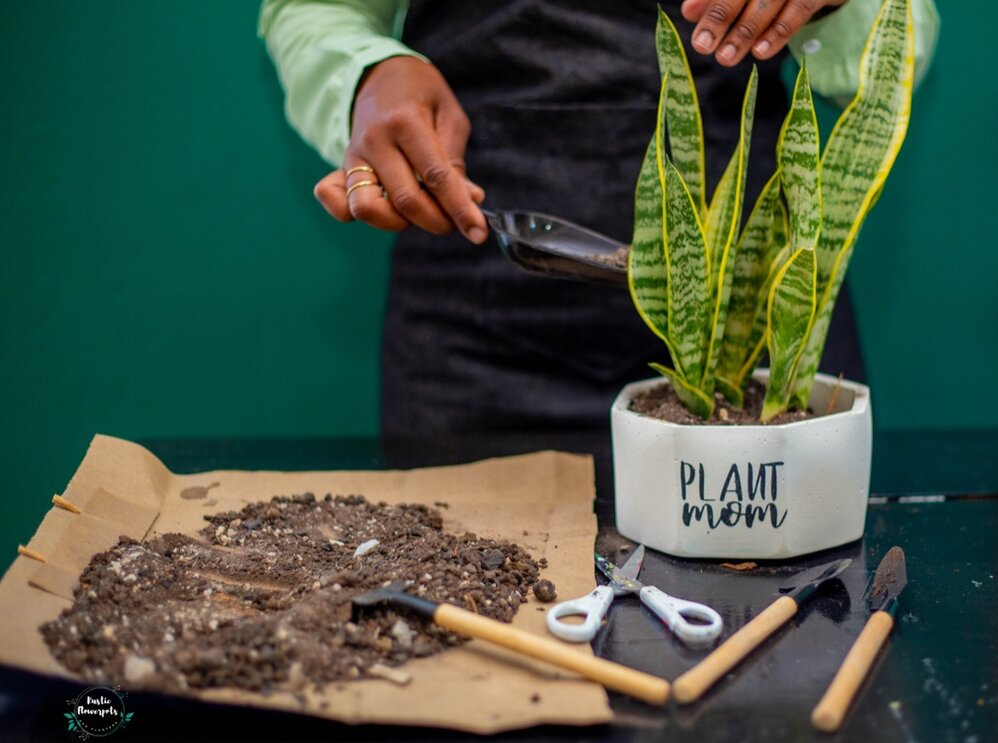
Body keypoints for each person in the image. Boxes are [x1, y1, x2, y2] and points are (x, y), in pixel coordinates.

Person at [259, 0, 939, 436]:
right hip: (474, 329)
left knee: (786, 638)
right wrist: (368, 75)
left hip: (754, 332)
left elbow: (906, 35)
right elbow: (315, 11)